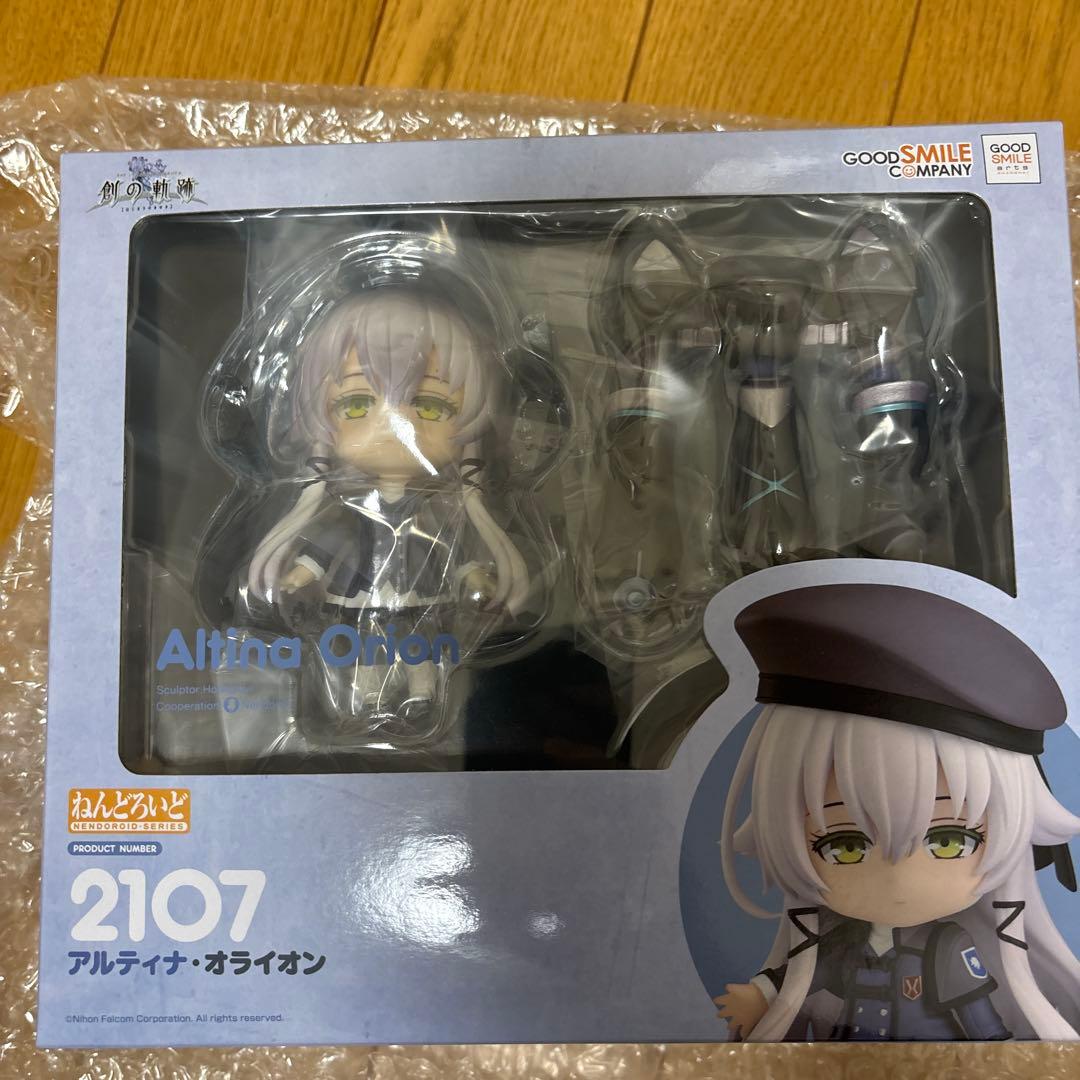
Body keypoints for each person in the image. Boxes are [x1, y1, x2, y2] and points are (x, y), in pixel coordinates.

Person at [715, 583, 1080, 1040]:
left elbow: (982, 1025)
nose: (899, 878)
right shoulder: (838, 944)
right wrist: (761, 997)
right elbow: (799, 978)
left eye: (949, 841)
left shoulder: (947, 948)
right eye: (844, 846)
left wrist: (1000, 1059)